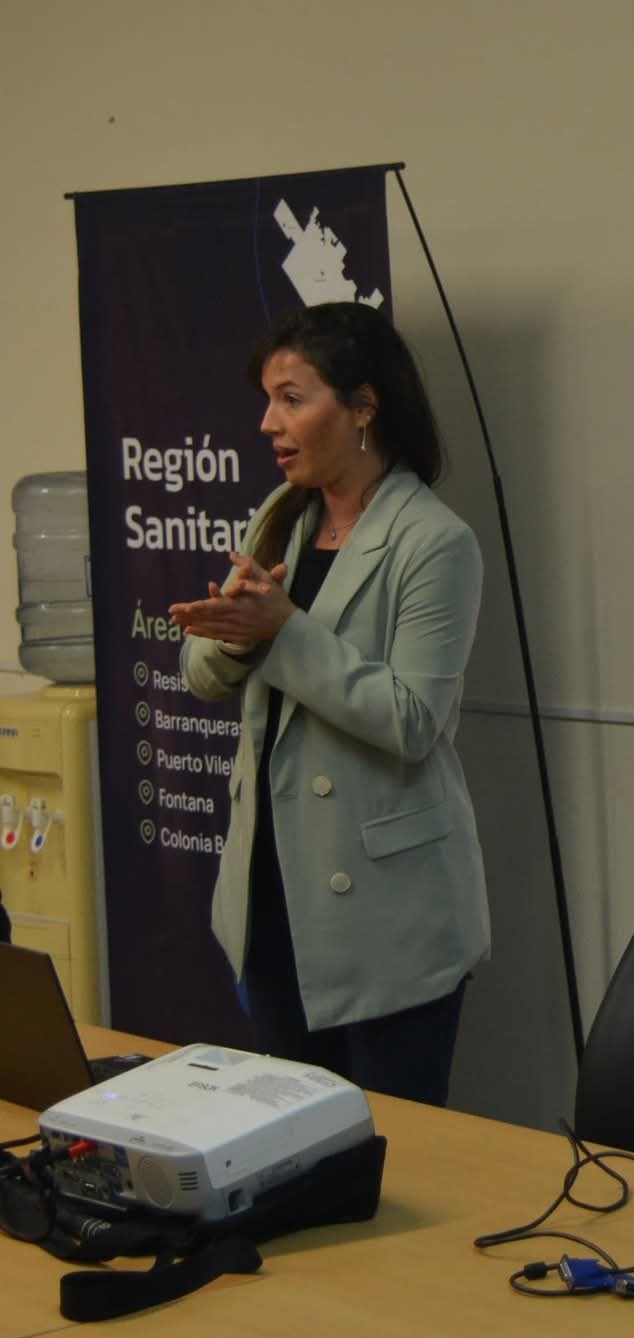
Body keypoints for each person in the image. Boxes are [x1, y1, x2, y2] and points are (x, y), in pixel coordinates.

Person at [170, 302, 489, 1106]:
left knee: (390, 1153)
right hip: (275, 893)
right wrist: (235, 639)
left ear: (363, 407)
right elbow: (203, 673)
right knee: (291, 1145)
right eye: (267, 399)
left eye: (291, 398)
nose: (267, 423)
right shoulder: (279, 515)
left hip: (388, 915)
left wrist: (282, 631)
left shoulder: (434, 541)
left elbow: (412, 719)